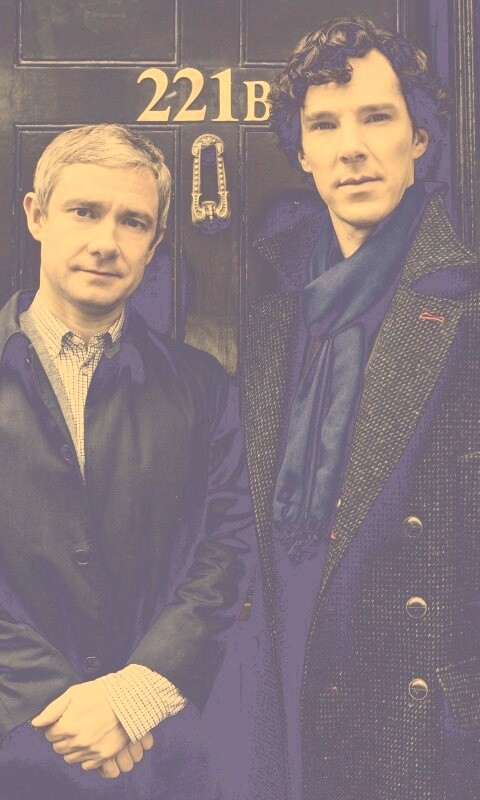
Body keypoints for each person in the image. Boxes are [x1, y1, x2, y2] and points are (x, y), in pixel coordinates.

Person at [244, 17, 480, 800]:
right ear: (302, 153)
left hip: (420, 727)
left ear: (420, 138)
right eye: (325, 125)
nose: (352, 148)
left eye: (377, 117)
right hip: (291, 690)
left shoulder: (464, 306)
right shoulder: (275, 307)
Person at [0, 123, 253, 800]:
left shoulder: (202, 386)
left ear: (155, 241)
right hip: (14, 744)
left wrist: (135, 696)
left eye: (133, 221)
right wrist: (55, 701)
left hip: (163, 752)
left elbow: (229, 545)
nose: (107, 241)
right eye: (84, 211)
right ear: (36, 215)